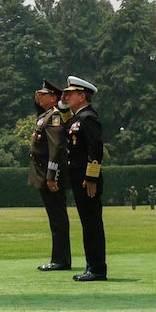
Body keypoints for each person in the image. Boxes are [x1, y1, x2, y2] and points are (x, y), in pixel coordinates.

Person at [61, 75, 107, 282]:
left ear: (82, 96)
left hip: (87, 180)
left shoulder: (88, 118)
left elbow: (95, 149)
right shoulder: (78, 118)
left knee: (92, 224)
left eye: (70, 94)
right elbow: (65, 127)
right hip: (78, 177)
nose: (66, 96)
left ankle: (97, 269)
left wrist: (91, 177)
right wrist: (63, 104)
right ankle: (92, 266)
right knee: (87, 223)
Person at [28, 79, 72, 272]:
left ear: (53, 98)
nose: (40, 97)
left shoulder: (54, 117)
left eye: (43, 95)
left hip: (50, 176)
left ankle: (60, 260)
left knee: (57, 219)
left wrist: (52, 176)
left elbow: (55, 149)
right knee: (55, 218)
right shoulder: (46, 115)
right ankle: (59, 258)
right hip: (44, 174)